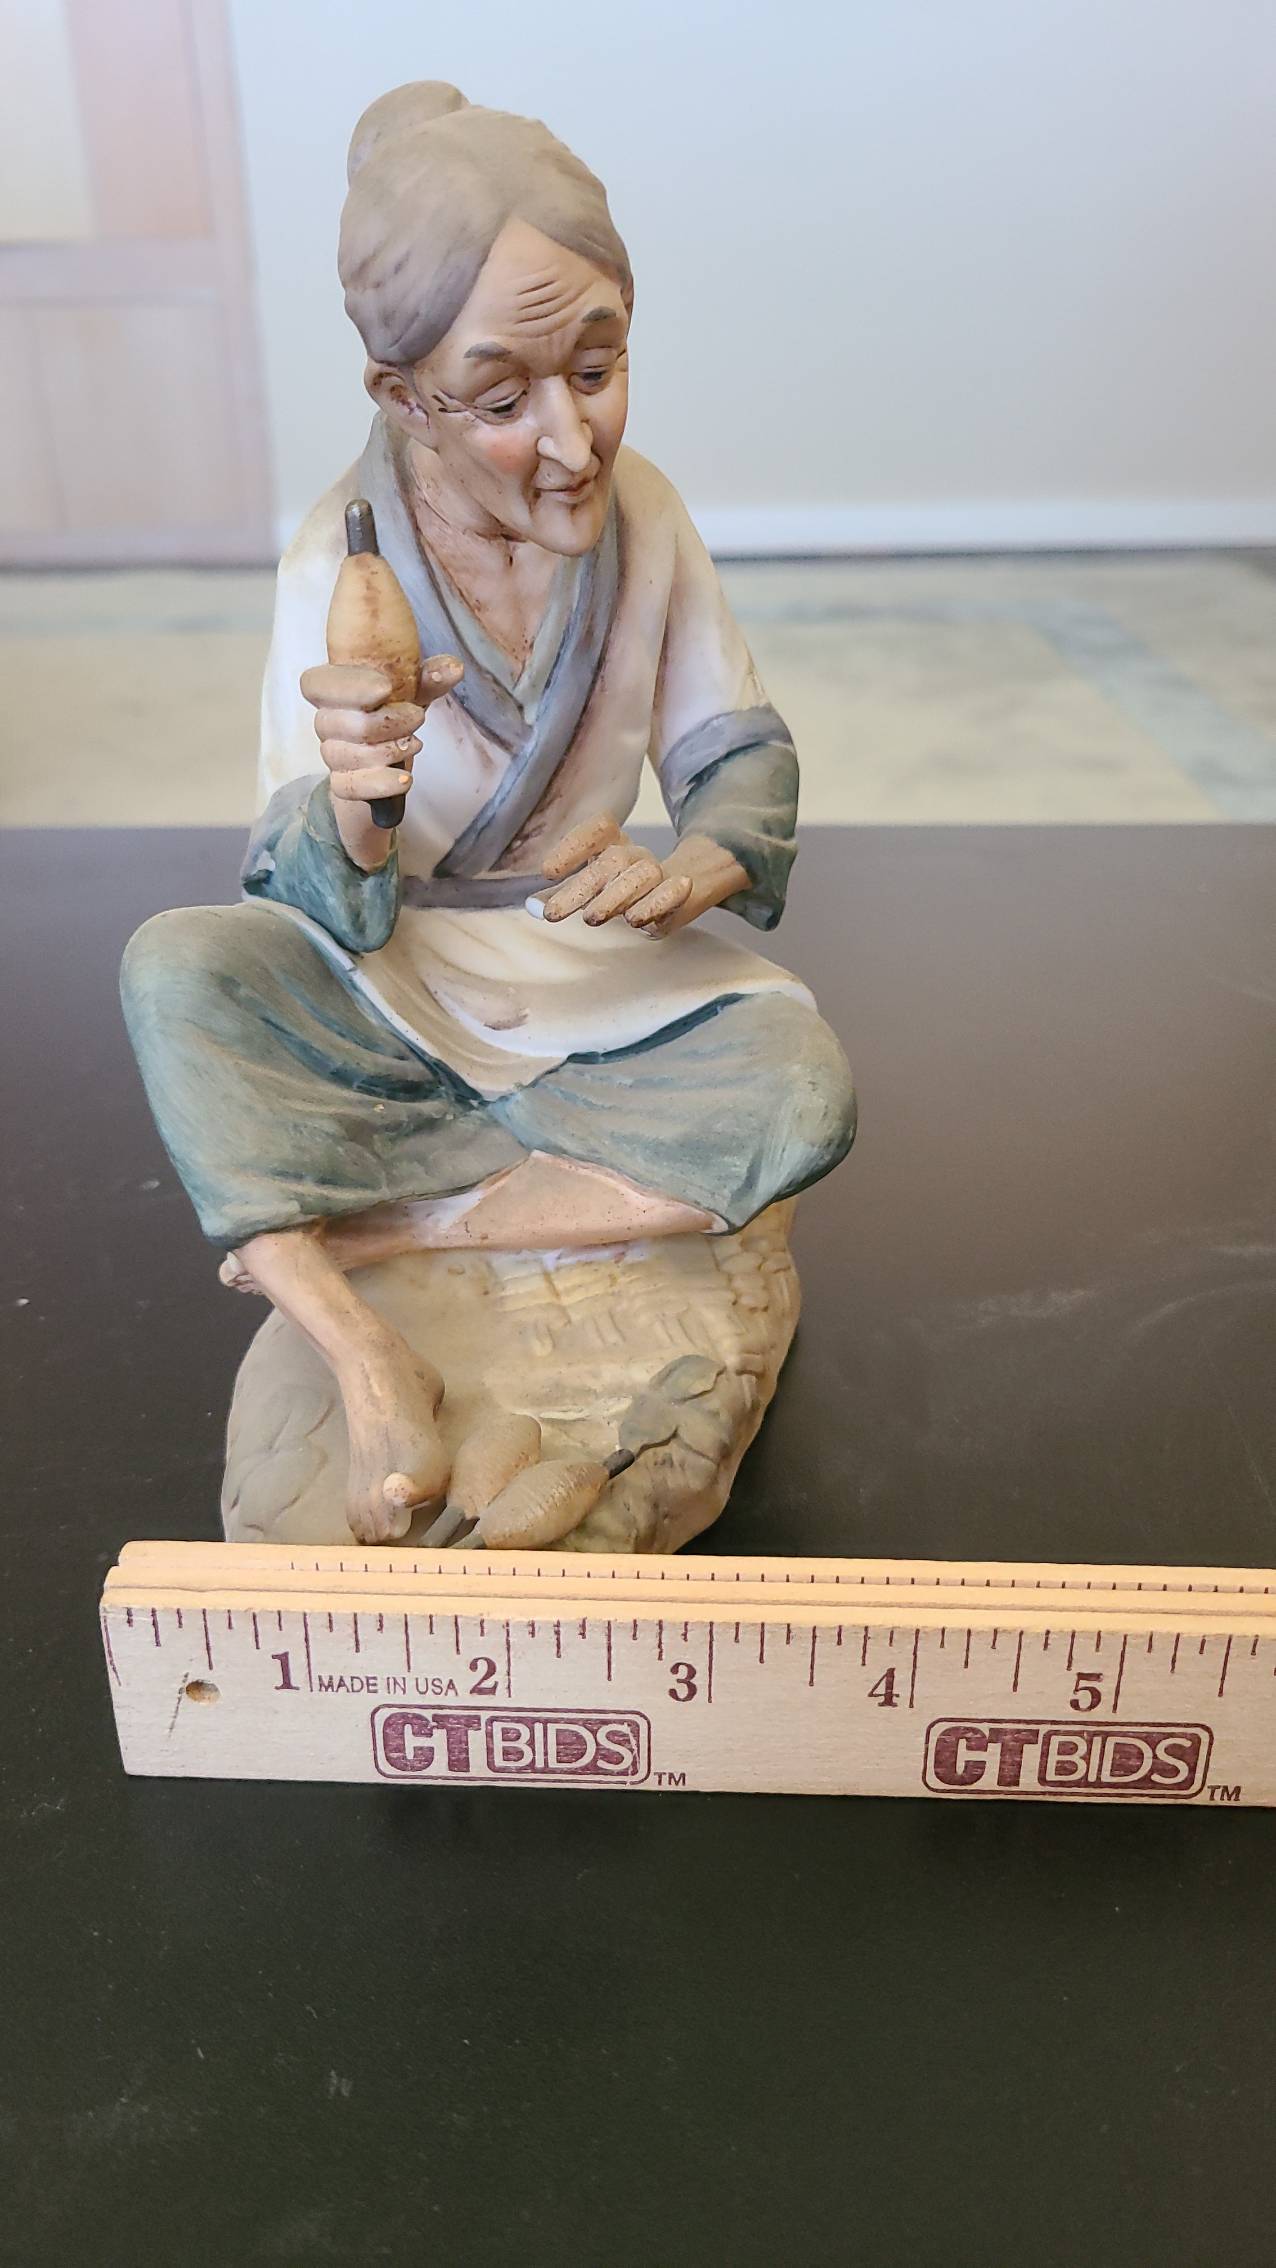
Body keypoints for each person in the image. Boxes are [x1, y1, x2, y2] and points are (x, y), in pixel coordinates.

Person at [121, 81, 855, 1542]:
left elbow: (733, 746)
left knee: (799, 1084)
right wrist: (361, 802)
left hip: (595, 975)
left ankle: (381, 1222)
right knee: (178, 974)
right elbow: (295, 883)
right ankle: (365, 1352)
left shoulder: (647, 519)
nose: (574, 438)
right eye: (506, 400)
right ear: (404, 396)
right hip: (391, 985)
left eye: (599, 368)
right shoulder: (333, 566)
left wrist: (704, 859)